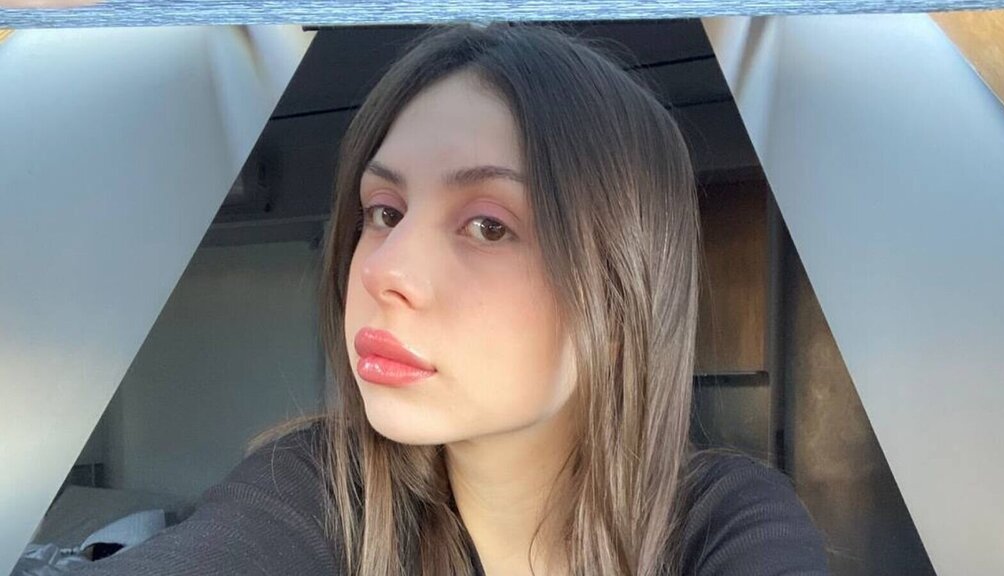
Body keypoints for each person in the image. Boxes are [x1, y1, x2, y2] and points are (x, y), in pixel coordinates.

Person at [69, 23, 830, 576]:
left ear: (622, 294)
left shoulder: (726, 523)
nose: (384, 270)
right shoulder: (319, 489)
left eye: (489, 226)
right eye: (384, 213)